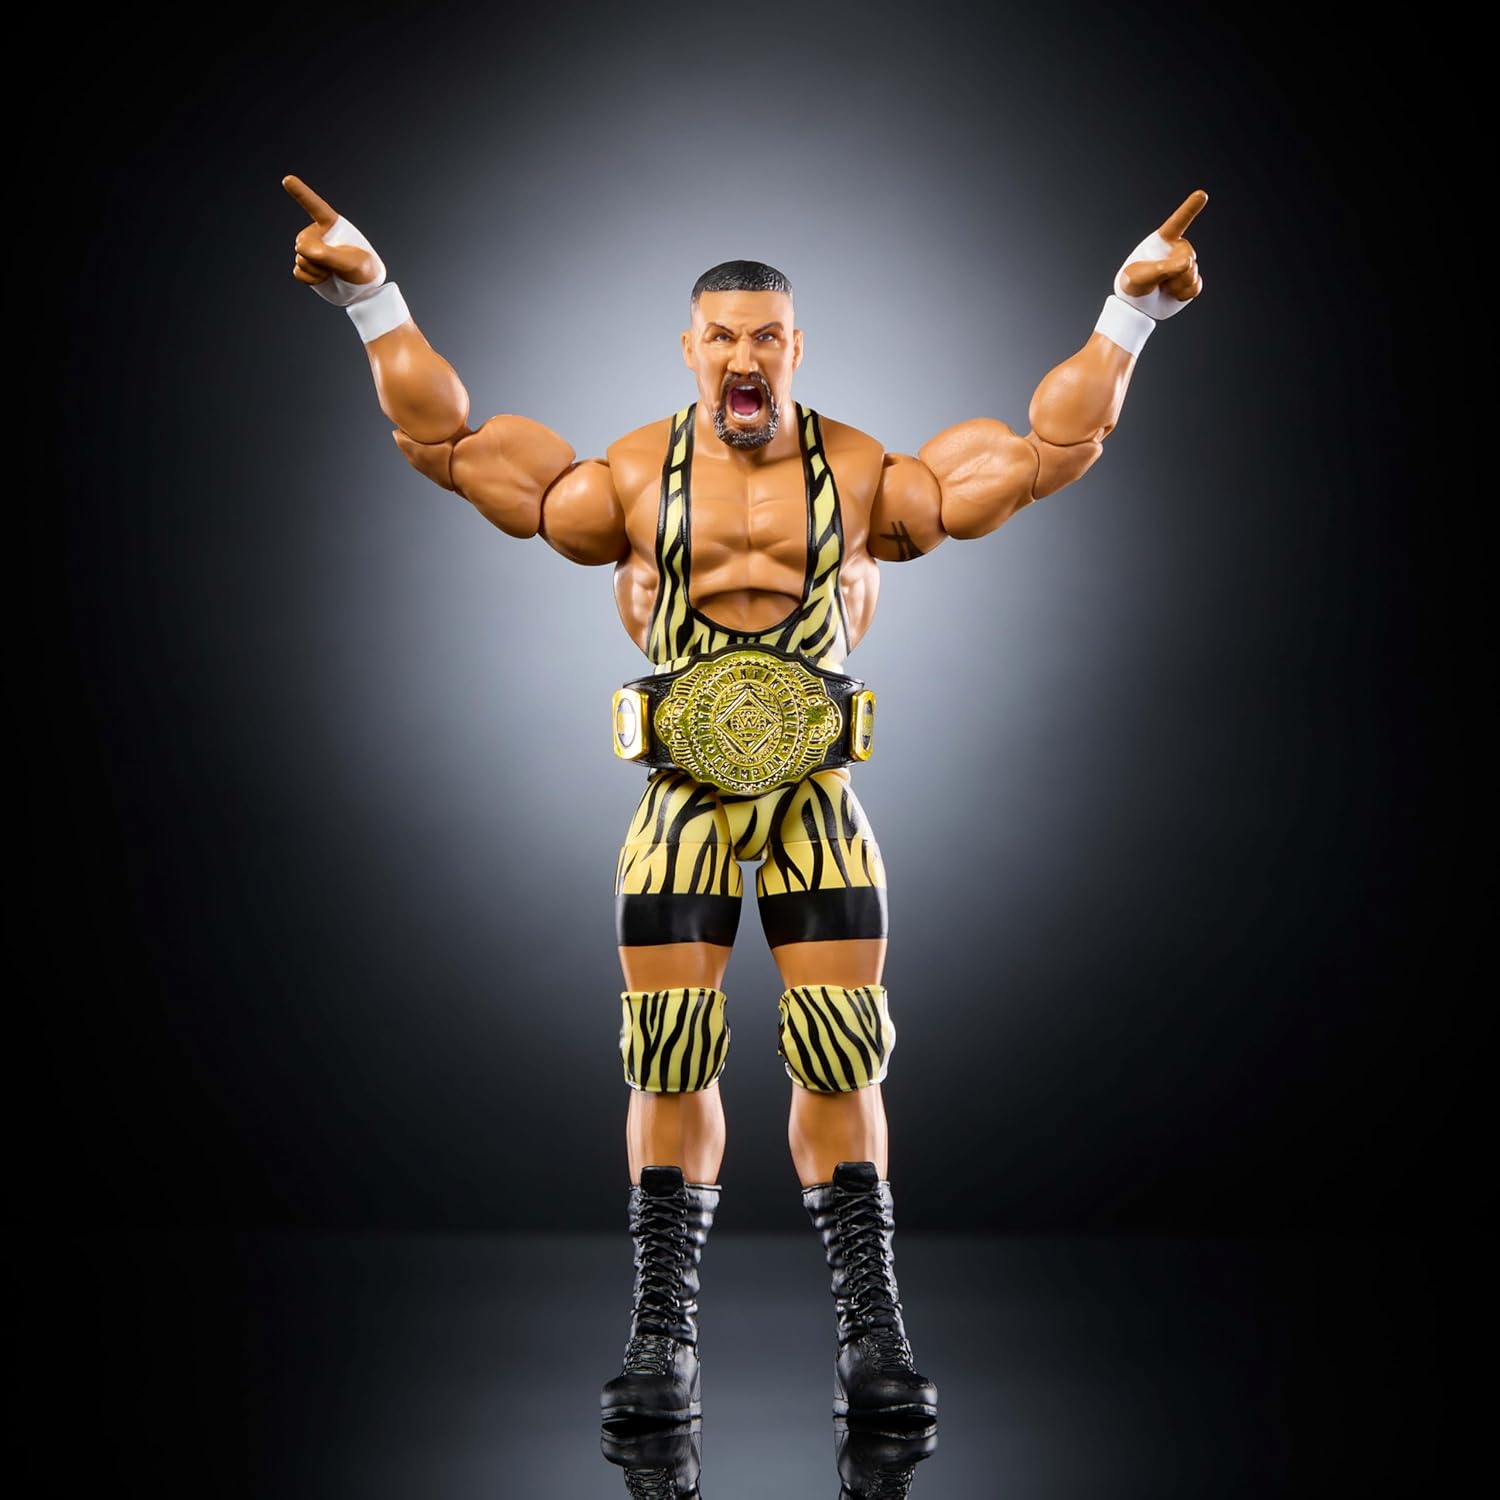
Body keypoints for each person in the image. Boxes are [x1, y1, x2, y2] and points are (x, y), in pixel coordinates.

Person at [282, 175, 1207, 1427]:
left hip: (817, 796)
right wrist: (372, 298)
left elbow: (1046, 455)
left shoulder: (864, 472)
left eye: (766, 336)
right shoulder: (629, 476)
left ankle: (872, 1337)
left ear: (795, 347)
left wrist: (1129, 313)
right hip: (681, 799)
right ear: (691, 348)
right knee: (666, 1054)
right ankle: (661, 1341)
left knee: (840, 1044)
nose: (744, 358)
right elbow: (449, 448)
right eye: (722, 337)